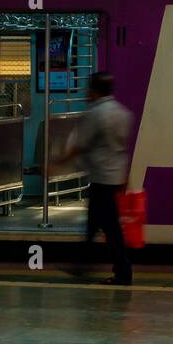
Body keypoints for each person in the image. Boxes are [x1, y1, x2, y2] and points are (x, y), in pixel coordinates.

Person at [56, 72, 134, 285]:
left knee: (111, 229)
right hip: (116, 176)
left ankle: (123, 272)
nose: (86, 93)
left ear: (94, 90)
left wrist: (56, 165)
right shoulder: (123, 113)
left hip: (102, 178)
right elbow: (122, 148)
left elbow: (80, 145)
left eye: (88, 89)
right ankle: (81, 266)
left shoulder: (96, 114)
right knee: (94, 224)